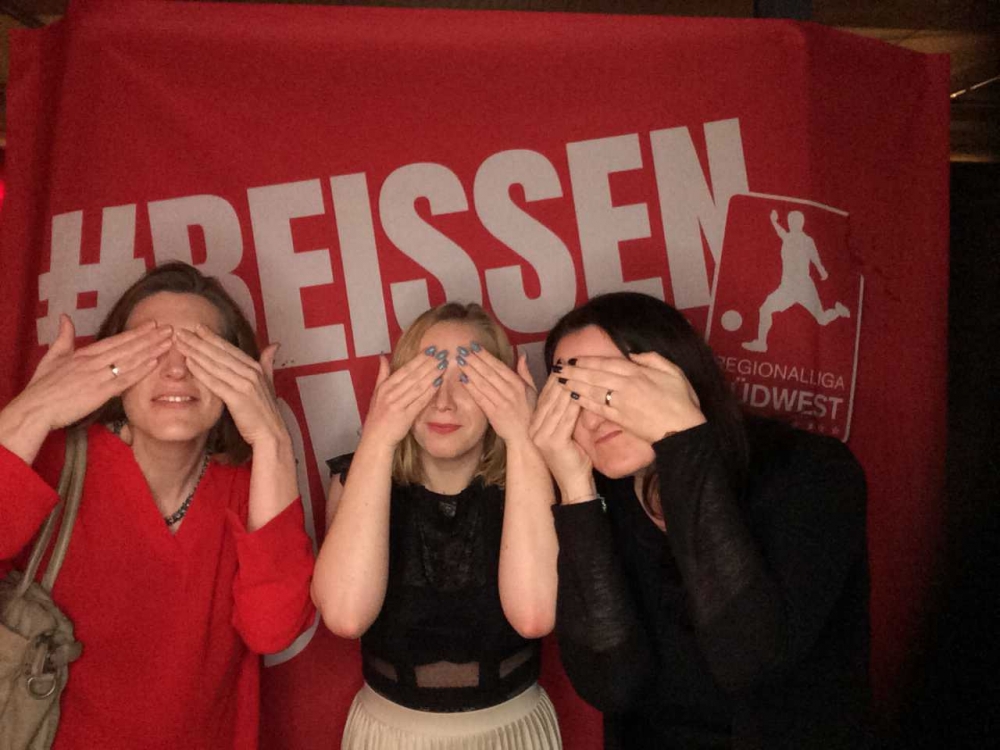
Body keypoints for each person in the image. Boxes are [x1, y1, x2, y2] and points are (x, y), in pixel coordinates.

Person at [529, 292, 871, 749]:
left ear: (676, 373)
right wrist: (575, 489)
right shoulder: (602, 501)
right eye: (573, 395)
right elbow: (611, 685)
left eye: (614, 386)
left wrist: (682, 439)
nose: (594, 417)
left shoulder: (811, 471)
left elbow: (750, 660)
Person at [0, 262, 315, 750]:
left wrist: (272, 438)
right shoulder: (54, 459)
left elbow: (272, 630)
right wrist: (32, 410)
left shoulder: (251, 485)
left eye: (200, 353)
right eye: (150, 351)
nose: (175, 370)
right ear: (110, 367)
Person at [312, 302, 561, 749]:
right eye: (427, 378)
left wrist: (522, 438)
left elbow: (533, 615)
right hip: (388, 735)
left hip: (514, 732)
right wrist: (379, 436)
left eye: (469, 379)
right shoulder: (357, 476)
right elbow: (346, 615)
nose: (443, 402)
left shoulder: (538, 476)